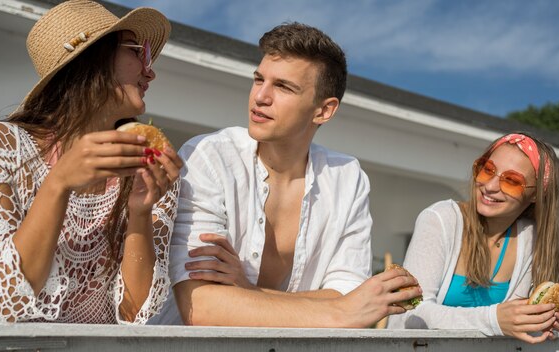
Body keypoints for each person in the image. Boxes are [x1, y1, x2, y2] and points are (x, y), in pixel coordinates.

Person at [148, 22, 421, 327]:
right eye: (258, 79)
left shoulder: (347, 177)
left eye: (283, 87)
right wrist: (338, 312)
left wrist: (249, 292)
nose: (260, 96)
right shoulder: (209, 157)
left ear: (324, 110)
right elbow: (202, 308)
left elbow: (348, 294)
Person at [0, 0, 183, 324]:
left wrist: (140, 212)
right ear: (91, 59)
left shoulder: (145, 165)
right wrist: (58, 182)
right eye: (138, 51)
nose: (150, 70)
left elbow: (135, 316)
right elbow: (1, 303)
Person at [388, 133, 559, 343]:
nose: (490, 186)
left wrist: (541, 325)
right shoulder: (440, 219)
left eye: (512, 181)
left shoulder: (530, 237)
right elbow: (411, 312)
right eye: (488, 170)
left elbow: (511, 334)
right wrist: (493, 320)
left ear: (535, 195)